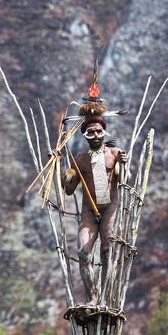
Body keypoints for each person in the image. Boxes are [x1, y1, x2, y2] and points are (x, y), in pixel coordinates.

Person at [51, 113, 127, 304]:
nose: (95, 136)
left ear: (105, 132)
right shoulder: (79, 161)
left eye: (98, 131)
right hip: (89, 213)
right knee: (83, 252)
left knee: (107, 251)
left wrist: (124, 165)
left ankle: (105, 299)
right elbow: (68, 188)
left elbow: (127, 182)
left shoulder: (116, 154)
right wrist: (58, 165)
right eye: (90, 132)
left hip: (110, 208)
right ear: (84, 135)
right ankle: (92, 298)